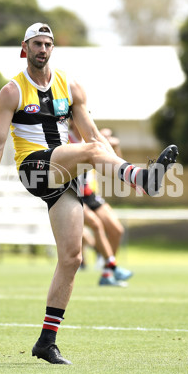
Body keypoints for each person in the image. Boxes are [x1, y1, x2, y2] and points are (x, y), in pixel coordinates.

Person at [0, 22, 178, 364]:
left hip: (64, 175)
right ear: (25, 48)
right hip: (34, 168)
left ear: (52, 49)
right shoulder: (12, 91)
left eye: (48, 44)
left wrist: (108, 155)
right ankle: (144, 179)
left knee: (72, 258)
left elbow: (93, 136)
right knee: (91, 151)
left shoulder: (70, 87)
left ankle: (46, 342)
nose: (42, 49)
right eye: (36, 43)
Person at [68, 120, 132, 286]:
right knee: (96, 225)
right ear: (72, 120)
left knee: (117, 230)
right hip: (71, 193)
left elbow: (116, 163)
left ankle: (106, 274)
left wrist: (112, 145)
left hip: (88, 192)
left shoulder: (90, 139)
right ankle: (111, 266)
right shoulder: (65, 139)